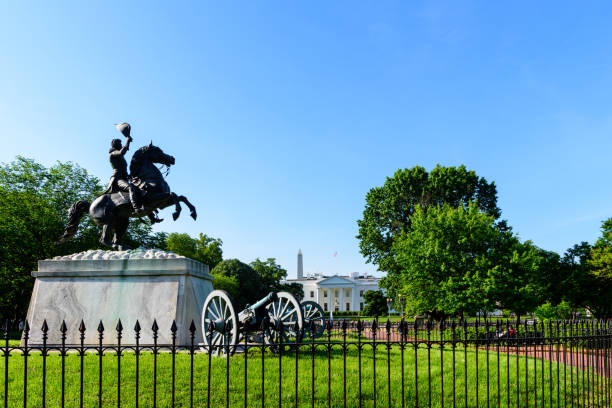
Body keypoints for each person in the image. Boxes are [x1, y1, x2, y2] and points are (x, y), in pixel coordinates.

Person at [106, 123, 146, 216]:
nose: (121, 145)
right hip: (117, 179)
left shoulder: (119, 156)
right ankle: (136, 208)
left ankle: (150, 215)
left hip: (124, 177)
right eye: (120, 144)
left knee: (139, 188)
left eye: (121, 144)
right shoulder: (113, 154)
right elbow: (122, 152)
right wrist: (127, 141)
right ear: (116, 145)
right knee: (131, 188)